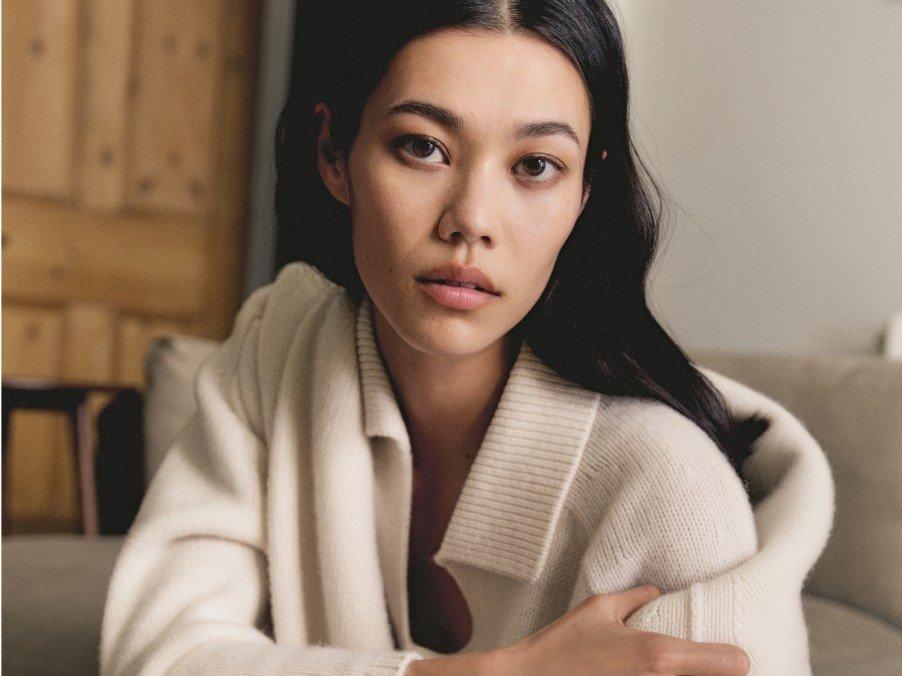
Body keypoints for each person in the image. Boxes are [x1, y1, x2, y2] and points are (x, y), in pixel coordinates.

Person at [99, 1, 834, 674]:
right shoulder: (281, 344)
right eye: (422, 147)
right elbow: (158, 656)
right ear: (334, 152)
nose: (471, 219)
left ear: (586, 194)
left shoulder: (670, 495)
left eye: (536, 167)